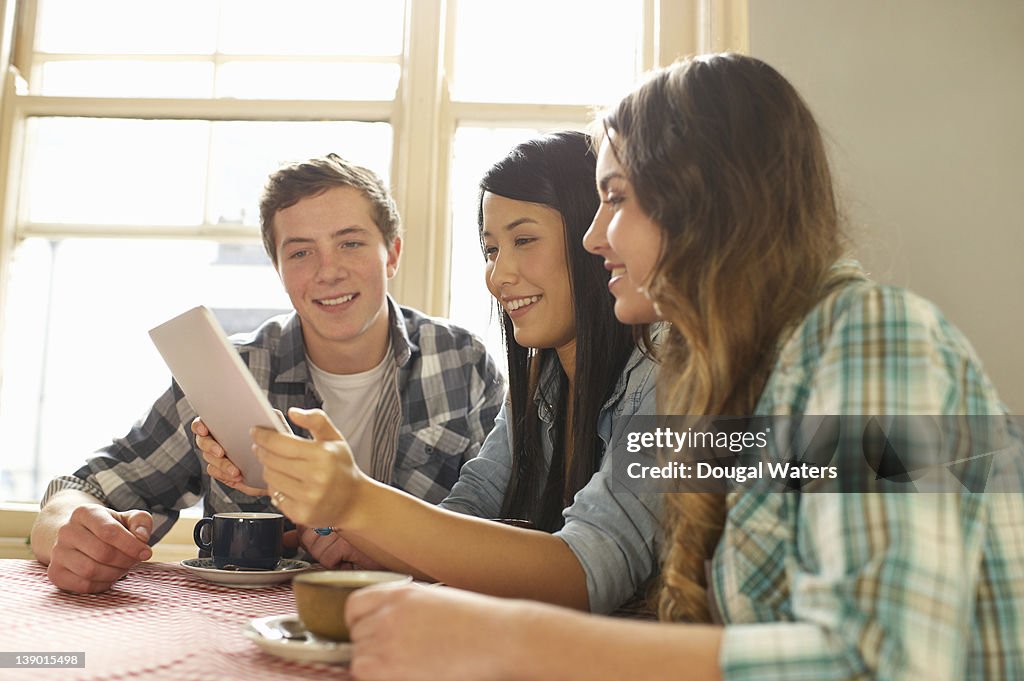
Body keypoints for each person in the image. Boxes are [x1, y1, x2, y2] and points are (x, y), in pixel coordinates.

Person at [332, 53, 1024, 681]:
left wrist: (519, 641)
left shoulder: (873, 335)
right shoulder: (736, 382)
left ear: (707, 198)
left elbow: (877, 661)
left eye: (617, 198)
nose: (594, 236)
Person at [200, 131, 665, 613]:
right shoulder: (541, 379)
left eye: (523, 240)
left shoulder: (666, 372)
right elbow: (469, 513)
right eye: (490, 250)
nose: (498, 275)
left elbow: (590, 574)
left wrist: (355, 500)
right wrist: (318, 501)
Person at [30, 153, 505, 594]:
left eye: (351, 243)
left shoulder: (463, 363)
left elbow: (505, 535)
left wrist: (375, 540)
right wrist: (69, 530)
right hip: (246, 638)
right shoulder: (231, 372)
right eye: (300, 253)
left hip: (419, 630)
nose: (328, 271)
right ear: (278, 268)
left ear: (393, 253)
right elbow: (85, 489)